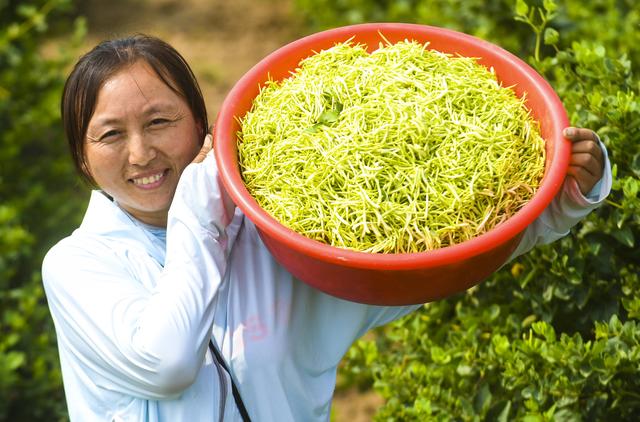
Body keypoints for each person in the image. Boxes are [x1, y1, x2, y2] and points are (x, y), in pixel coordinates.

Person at [42, 34, 612, 422]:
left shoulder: (277, 239)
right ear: (84, 158)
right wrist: (199, 204)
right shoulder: (78, 266)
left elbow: (444, 254)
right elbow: (166, 362)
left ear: (202, 126)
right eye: (111, 135)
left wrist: (560, 200)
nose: (141, 152)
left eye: (160, 121)